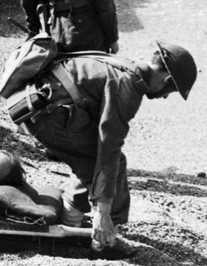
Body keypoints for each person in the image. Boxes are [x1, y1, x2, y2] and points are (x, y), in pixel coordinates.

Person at [22, 42, 197, 254]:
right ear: (167, 80)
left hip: (37, 104)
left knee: (99, 162)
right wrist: (103, 210)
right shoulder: (129, 85)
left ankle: (74, 217)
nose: (166, 96)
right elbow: (109, 147)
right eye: (171, 90)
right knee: (109, 162)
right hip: (46, 116)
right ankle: (103, 236)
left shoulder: (126, 66)